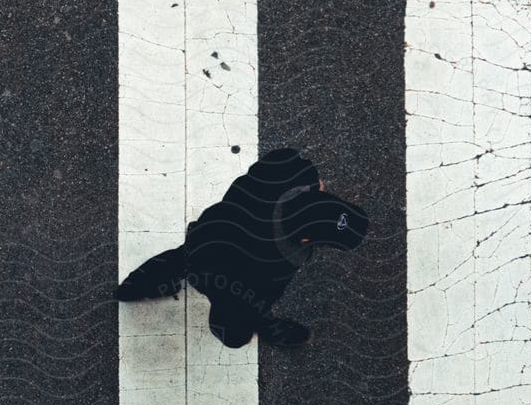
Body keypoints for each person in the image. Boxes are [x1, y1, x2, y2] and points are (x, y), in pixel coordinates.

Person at [116, 147, 369, 348]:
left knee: (179, 259)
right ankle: (270, 330)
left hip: (206, 233)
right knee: (243, 318)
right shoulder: (280, 262)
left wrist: (312, 188)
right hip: (219, 274)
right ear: (305, 239)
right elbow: (248, 300)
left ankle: (132, 287)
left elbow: (285, 164)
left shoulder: (288, 169)